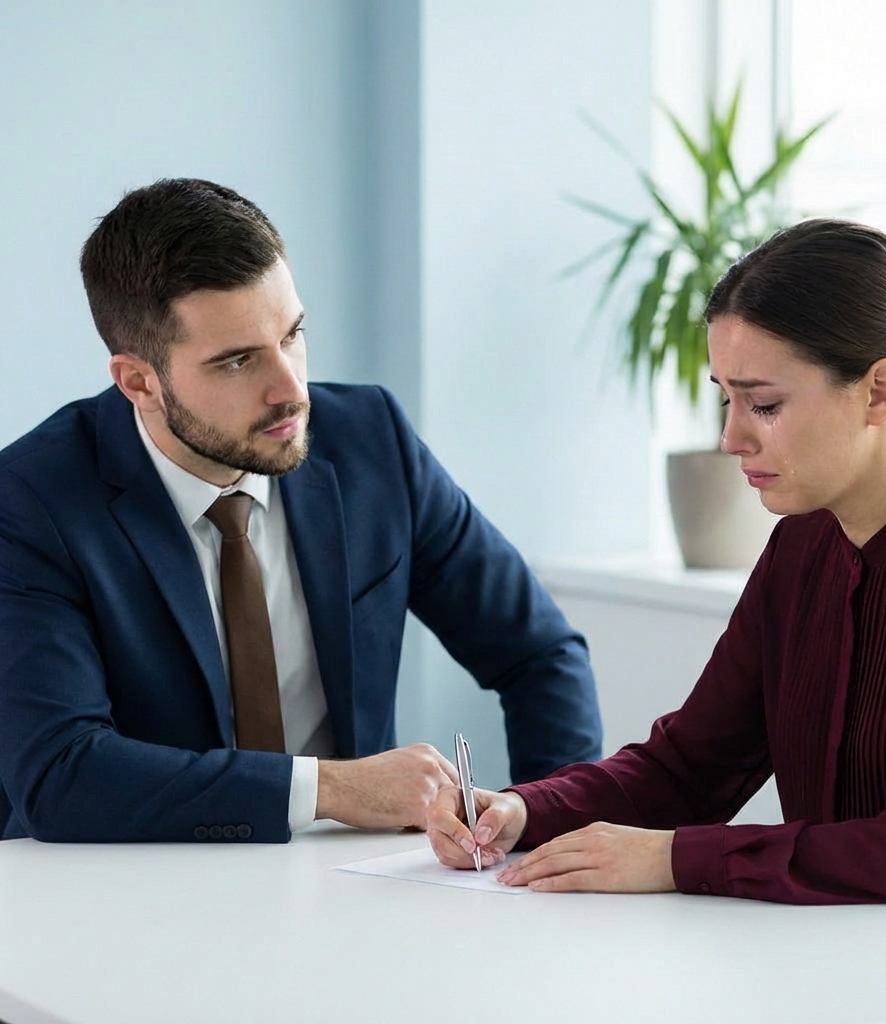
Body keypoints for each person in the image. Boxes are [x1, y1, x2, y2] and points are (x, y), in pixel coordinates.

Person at [427, 219, 886, 927]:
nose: (732, 437)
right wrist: (525, 809)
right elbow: (691, 767)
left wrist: (672, 858)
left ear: (879, 392)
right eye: (727, 399)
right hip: (837, 966)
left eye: (764, 404)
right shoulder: (801, 547)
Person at [0, 177, 602, 843]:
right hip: (124, 897)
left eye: (293, 335)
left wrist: (546, 829)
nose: (289, 390)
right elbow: (60, 775)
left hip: (352, 889)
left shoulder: (373, 441)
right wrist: (333, 788)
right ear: (139, 381)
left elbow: (540, 655)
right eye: (237, 362)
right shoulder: (32, 501)